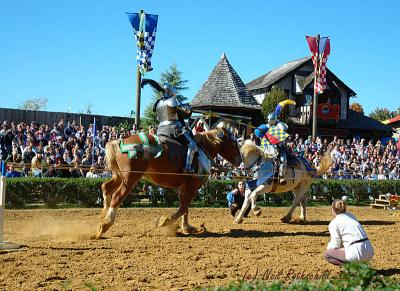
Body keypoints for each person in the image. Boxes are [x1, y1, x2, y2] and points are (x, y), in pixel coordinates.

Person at [141, 79, 209, 173]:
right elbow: (187, 113)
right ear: (171, 92)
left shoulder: (158, 103)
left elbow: (158, 118)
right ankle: (188, 167)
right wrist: (188, 107)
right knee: (193, 145)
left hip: (161, 130)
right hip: (173, 130)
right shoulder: (173, 101)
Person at [254, 100, 295, 184]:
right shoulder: (265, 126)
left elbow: (281, 135)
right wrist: (259, 131)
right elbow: (258, 134)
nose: (270, 122)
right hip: (266, 147)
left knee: (283, 159)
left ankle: (281, 176)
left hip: (279, 146)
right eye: (270, 120)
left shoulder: (280, 125)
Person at [324, 199, 374, 266]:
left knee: (327, 254)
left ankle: (353, 269)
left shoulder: (334, 223)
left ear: (333, 210)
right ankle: (362, 266)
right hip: (369, 251)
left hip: (356, 253)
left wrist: (329, 247)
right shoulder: (352, 217)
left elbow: (335, 243)